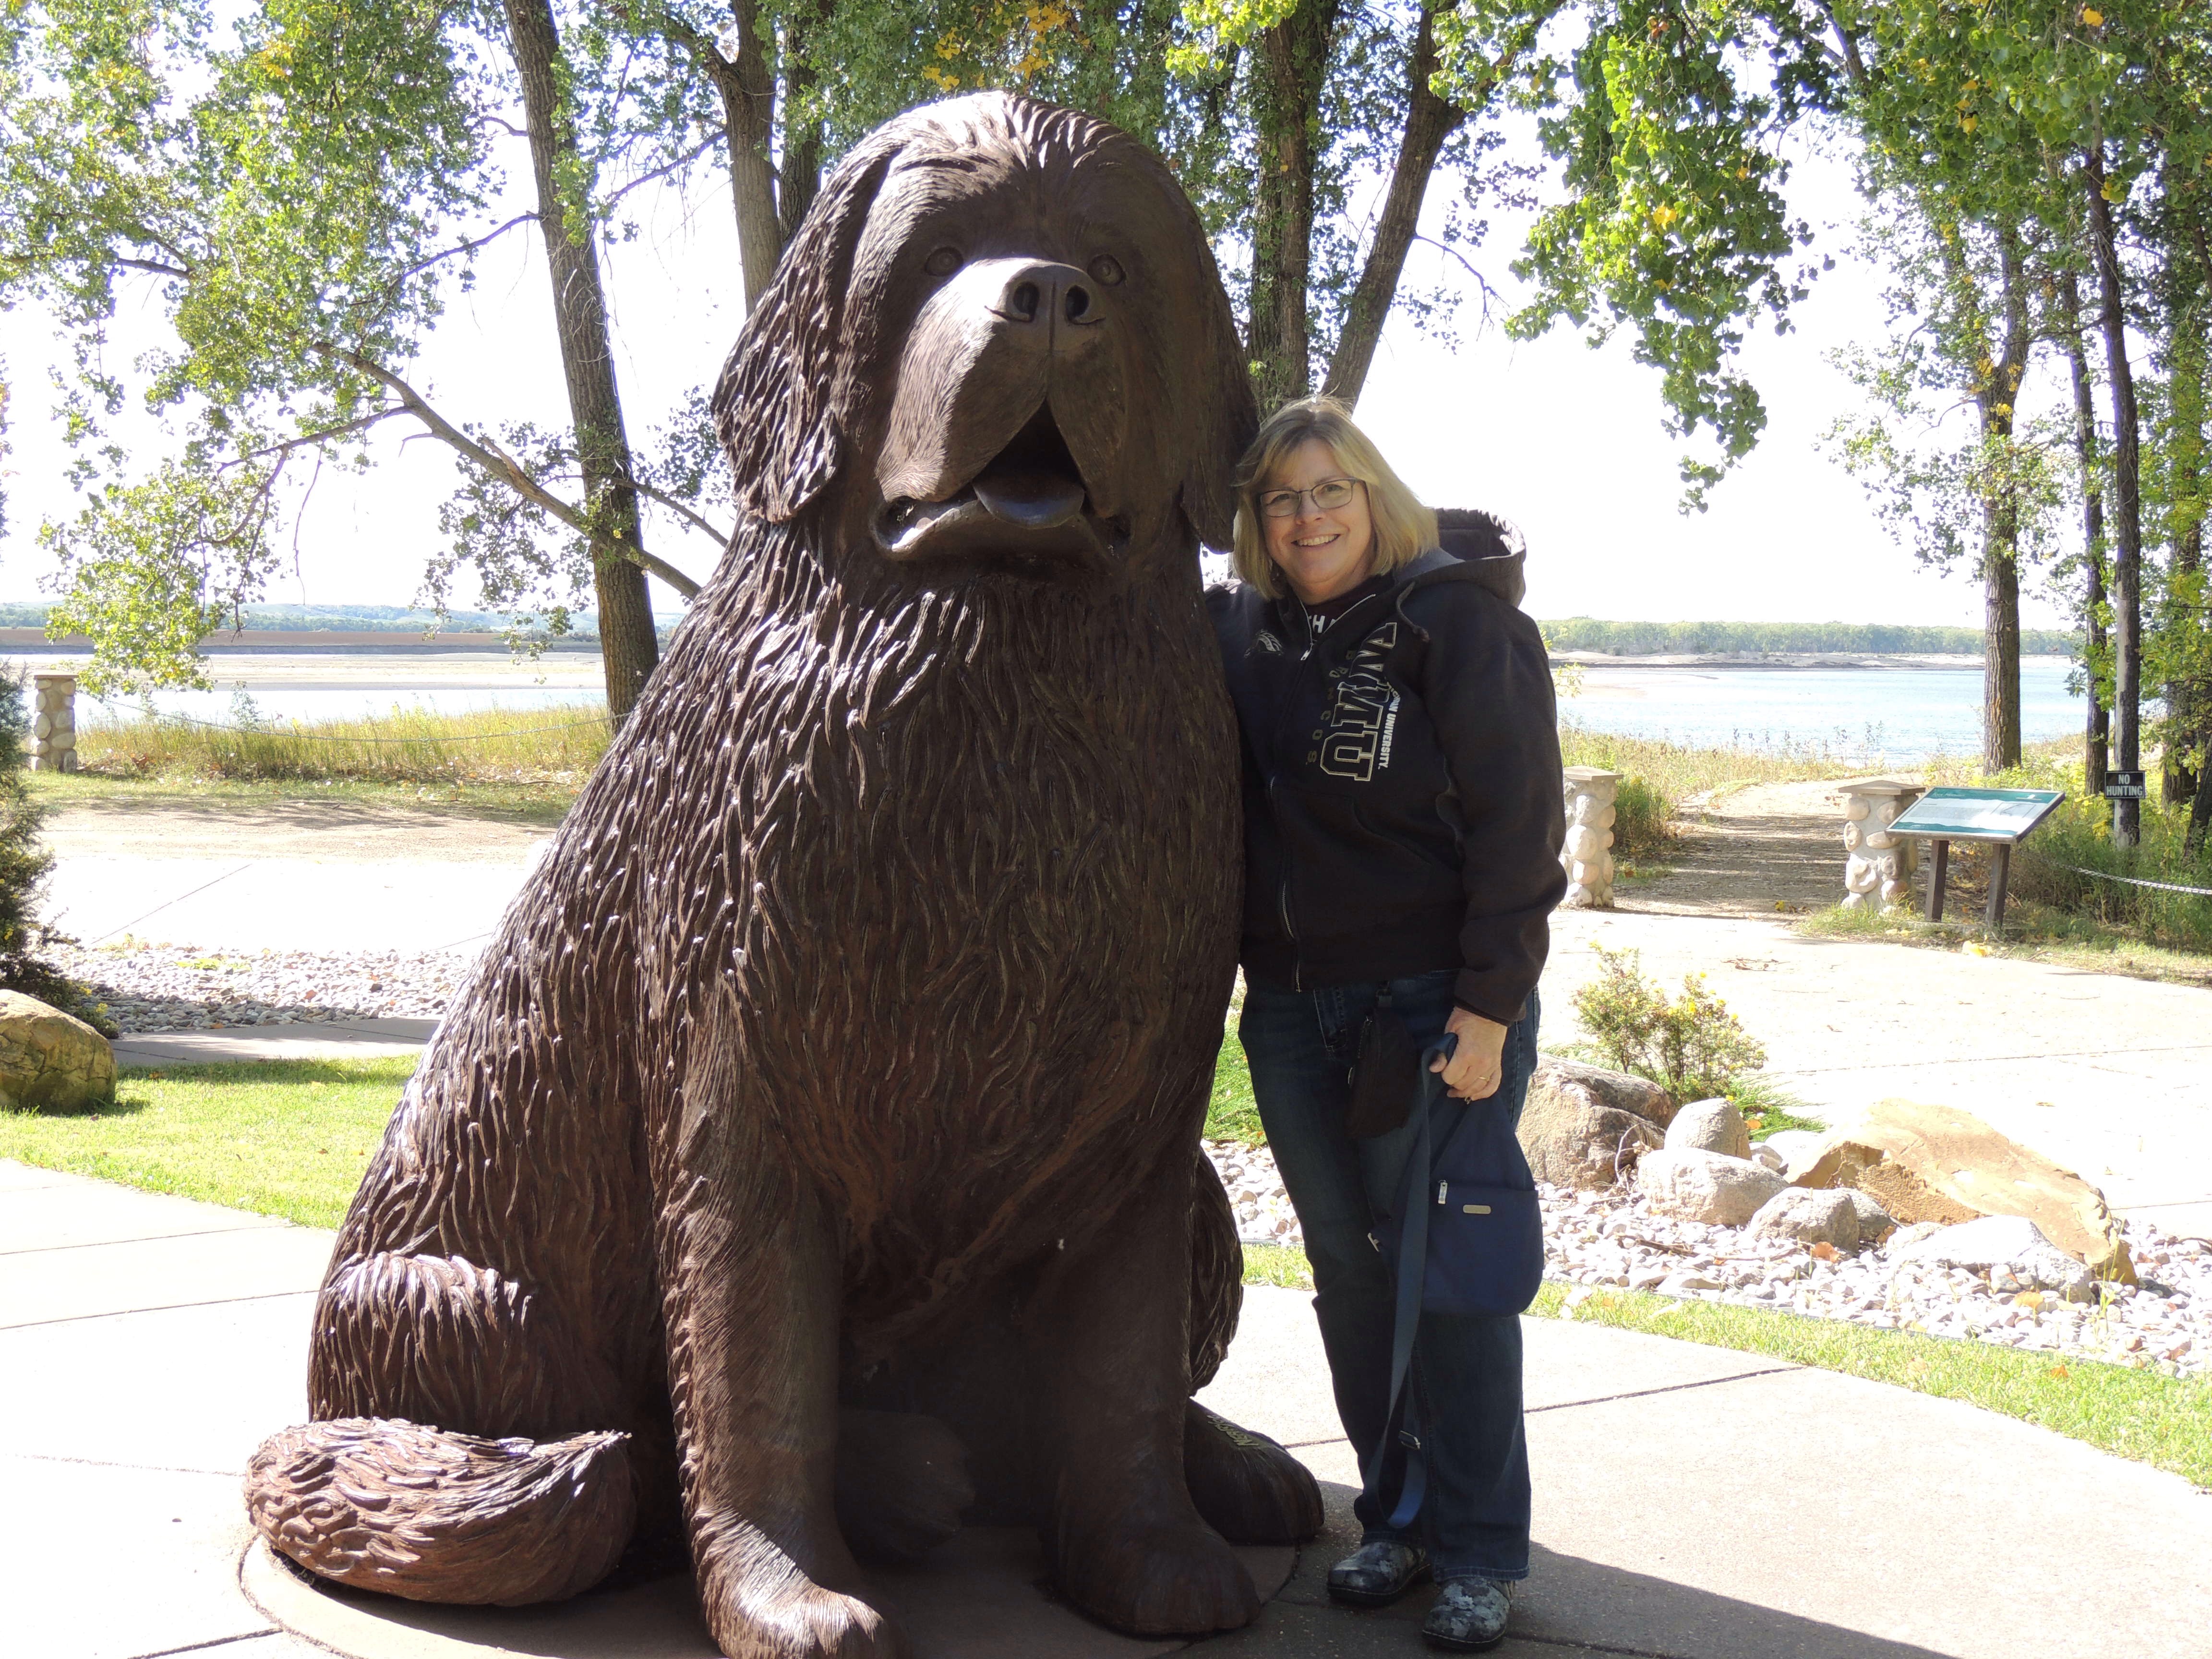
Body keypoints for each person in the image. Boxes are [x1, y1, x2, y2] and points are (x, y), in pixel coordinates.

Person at [1206, 397, 1565, 1653]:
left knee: (1450, 1283)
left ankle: (1479, 1552)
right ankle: (1398, 1518)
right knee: (1353, 1280)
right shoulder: (1242, 631)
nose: (1307, 518)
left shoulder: (1455, 620)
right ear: (1256, 520)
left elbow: (1522, 828)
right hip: (1294, 1012)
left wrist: (1489, 1006)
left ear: (1375, 496)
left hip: (1432, 1007)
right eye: (1281, 499)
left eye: (1331, 490)